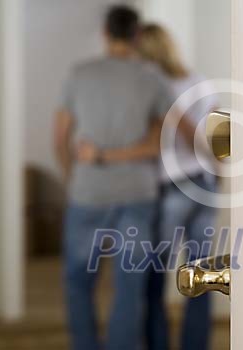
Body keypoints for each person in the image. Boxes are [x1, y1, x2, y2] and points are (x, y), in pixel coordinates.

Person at [53, 6, 173, 350]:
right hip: (138, 194)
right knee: (130, 287)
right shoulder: (151, 79)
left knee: (78, 284)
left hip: (87, 192)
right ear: (137, 36)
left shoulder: (79, 74)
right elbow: (159, 143)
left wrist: (74, 176)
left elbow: (59, 138)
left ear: (105, 33)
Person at [138, 24, 220, 350]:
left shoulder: (151, 89)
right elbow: (216, 141)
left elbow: (184, 142)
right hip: (205, 185)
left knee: (154, 278)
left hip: (172, 188)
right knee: (200, 277)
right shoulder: (199, 82)